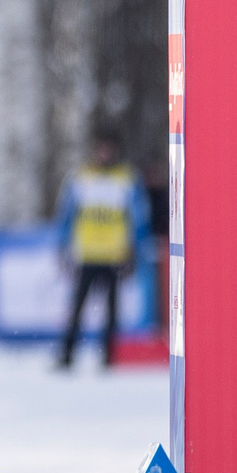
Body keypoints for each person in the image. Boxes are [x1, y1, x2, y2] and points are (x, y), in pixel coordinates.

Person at [53, 136, 148, 368]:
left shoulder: (126, 178)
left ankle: (108, 356)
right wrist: (63, 245)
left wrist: (135, 249)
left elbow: (138, 218)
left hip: (114, 255)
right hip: (87, 254)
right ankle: (67, 354)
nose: (104, 154)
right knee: (77, 307)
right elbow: (67, 214)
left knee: (111, 311)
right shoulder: (81, 177)